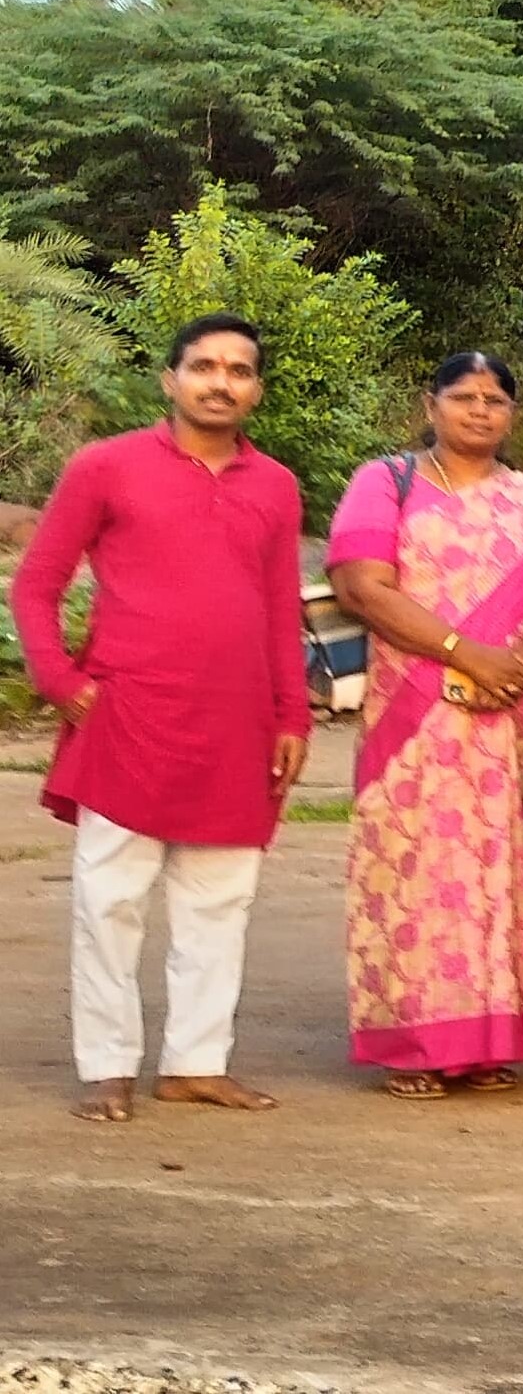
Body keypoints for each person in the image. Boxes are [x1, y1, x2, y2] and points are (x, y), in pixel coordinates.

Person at [19, 314, 311, 1122]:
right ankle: (106, 1065)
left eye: (240, 369)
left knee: (220, 901)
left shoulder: (275, 484)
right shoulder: (105, 466)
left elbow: (279, 608)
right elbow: (37, 583)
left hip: (238, 724)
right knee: (109, 897)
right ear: (170, 379)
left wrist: (293, 715)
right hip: (127, 714)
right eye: (205, 366)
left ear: (255, 387)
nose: (222, 381)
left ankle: (195, 1061)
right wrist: (61, 681)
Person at [327, 353, 523, 1098]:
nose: (479, 410)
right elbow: (360, 584)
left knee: (496, 872)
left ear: (512, 413)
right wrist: (467, 653)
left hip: (507, 718)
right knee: (411, 869)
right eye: (463, 397)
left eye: (494, 400)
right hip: (413, 712)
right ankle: (411, 1042)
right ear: (431, 401)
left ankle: (482, 1040)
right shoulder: (386, 481)